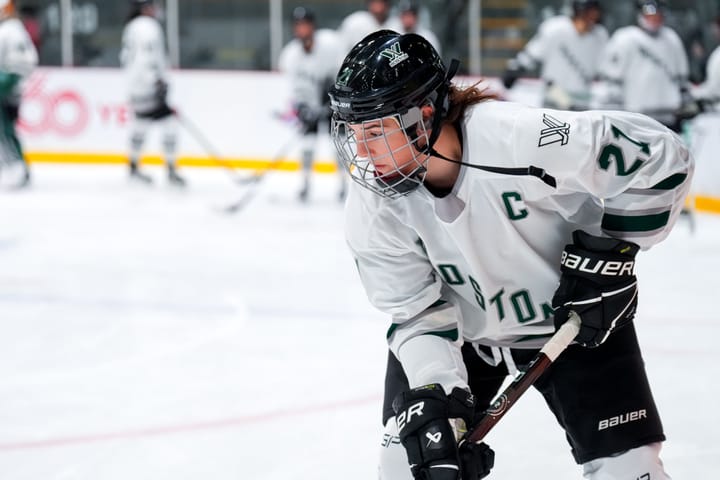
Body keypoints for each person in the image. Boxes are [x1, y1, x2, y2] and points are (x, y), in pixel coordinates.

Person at [329, 30, 692, 480]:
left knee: (630, 472)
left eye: (376, 131)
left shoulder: (522, 137)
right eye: (353, 133)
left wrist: (610, 254)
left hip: (578, 324)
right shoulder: (374, 202)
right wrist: (435, 389)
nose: (361, 153)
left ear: (424, 115)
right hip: (463, 340)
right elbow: (413, 311)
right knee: (410, 465)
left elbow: (660, 156)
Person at [278, 7, 346, 202]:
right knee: (307, 145)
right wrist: (302, 108)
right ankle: (305, 184)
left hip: (332, 105)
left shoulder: (331, 45)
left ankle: (343, 184)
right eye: (298, 25)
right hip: (309, 106)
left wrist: (332, 99)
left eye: (305, 25)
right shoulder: (290, 56)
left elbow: (342, 75)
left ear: (313, 26)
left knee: (338, 145)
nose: (302, 29)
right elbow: (294, 90)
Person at [592, 0, 690, 132]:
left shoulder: (671, 38)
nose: (655, 19)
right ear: (640, 15)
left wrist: (684, 101)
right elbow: (611, 77)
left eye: (659, 15)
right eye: (651, 15)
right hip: (636, 115)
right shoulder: (625, 38)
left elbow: (681, 76)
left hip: (669, 115)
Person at [120, 0, 185, 186]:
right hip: (147, 86)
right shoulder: (147, 26)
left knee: (141, 123)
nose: (156, 9)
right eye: (152, 5)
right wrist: (156, 81)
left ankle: (133, 167)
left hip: (135, 86)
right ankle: (171, 169)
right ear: (145, 8)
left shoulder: (132, 26)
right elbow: (146, 58)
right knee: (170, 124)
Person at [502, 0, 607, 110]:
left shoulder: (600, 36)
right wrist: (516, 69)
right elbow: (532, 52)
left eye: (595, 13)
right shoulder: (555, 29)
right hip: (554, 94)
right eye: (589, 13)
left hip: (582, 99)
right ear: (579, 11)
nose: (593, 17)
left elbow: (604, 68)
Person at [0, 0, 37, 189]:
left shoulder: (11, 30)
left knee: (5, 130)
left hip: (7, 87)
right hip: (9, 86)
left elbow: (25, 62)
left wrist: (8, 80)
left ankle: (16, 168)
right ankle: (15, 167)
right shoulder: (11, 29)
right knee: (6, 130)